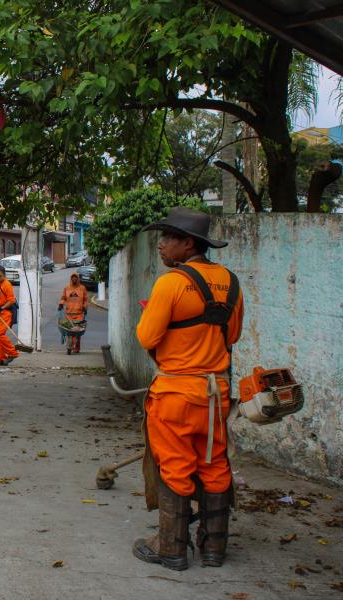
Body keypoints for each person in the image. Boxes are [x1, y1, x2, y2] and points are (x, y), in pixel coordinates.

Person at [132, 207, 244, 571]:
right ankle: (214, 549)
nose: (161, 246)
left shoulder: (171, 283)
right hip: (215, 396)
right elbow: (234, 335)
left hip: (176, 394)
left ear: (188, 244)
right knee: (214, 465)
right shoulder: (232, 282)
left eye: (168, 239)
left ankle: (171, 548)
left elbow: (147, 336)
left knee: (176, 468)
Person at [58, 272, 89, 354]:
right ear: (71, 279)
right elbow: (63, 298)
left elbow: (85, 299)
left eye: (76, 278)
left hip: (79, 314)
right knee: (69, 331)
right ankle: (70, 346)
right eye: (73, 277)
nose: (74, 279)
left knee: (77, 332)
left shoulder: (82, 288)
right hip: (69, 314)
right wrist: (61, 304)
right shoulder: (67, 288)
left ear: (78, 279)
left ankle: (77, 348)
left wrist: (85, 307)